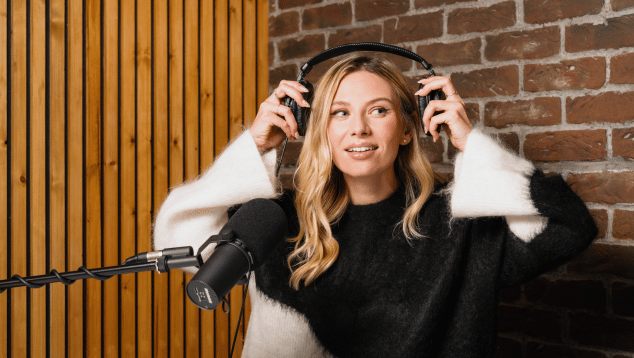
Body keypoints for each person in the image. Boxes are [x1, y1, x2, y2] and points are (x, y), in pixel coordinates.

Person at [153, 54, 597, 357]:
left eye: (379, 110)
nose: (359, 129)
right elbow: (179, 239)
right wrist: (253, 146)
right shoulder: (275, 221)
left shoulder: (457, 224)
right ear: (317, 129)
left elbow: (568, 227)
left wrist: (469, 142)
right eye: (339, 113)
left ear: (409, 128)